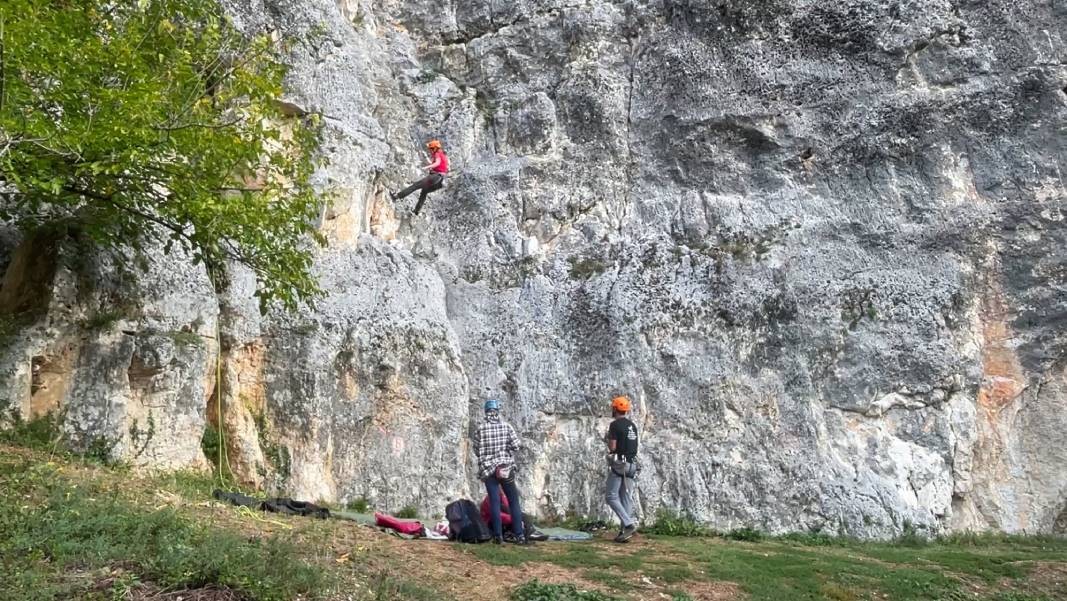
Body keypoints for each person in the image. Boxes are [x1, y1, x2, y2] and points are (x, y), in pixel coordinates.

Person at [473, 399, 531, 545]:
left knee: (494, 501)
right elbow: (517, 445)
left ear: (486, 412)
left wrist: (488, 457)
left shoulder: (481, 429)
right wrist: (505, 451)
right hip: (505, 467)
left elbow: (476, 449)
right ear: (497, 411)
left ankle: (498, 536)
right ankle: (519, 535)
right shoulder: (506, 427)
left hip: (488, 469)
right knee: (513, 501)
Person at [604, 395, 639, 543]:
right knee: (625, 497)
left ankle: (629, 524)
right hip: (632, 464)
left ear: (615, 409)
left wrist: (608, 441)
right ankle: (624, 532)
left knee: (611, 496)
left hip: (621, 465)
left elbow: (613, 447)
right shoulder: (632, 425)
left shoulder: (615, 425)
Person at [390, 139, 449, 215]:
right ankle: (416, 211)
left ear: (434, 148)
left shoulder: (437, 154)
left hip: (435, 176)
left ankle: (396, 196)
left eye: (430, 149)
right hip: (439, 181)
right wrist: (426, 161)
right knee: (424, 192)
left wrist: (427, 167)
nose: (429, 151)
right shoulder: (443, 155)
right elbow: (440, 165)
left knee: (416, 186)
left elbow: (437, 163)